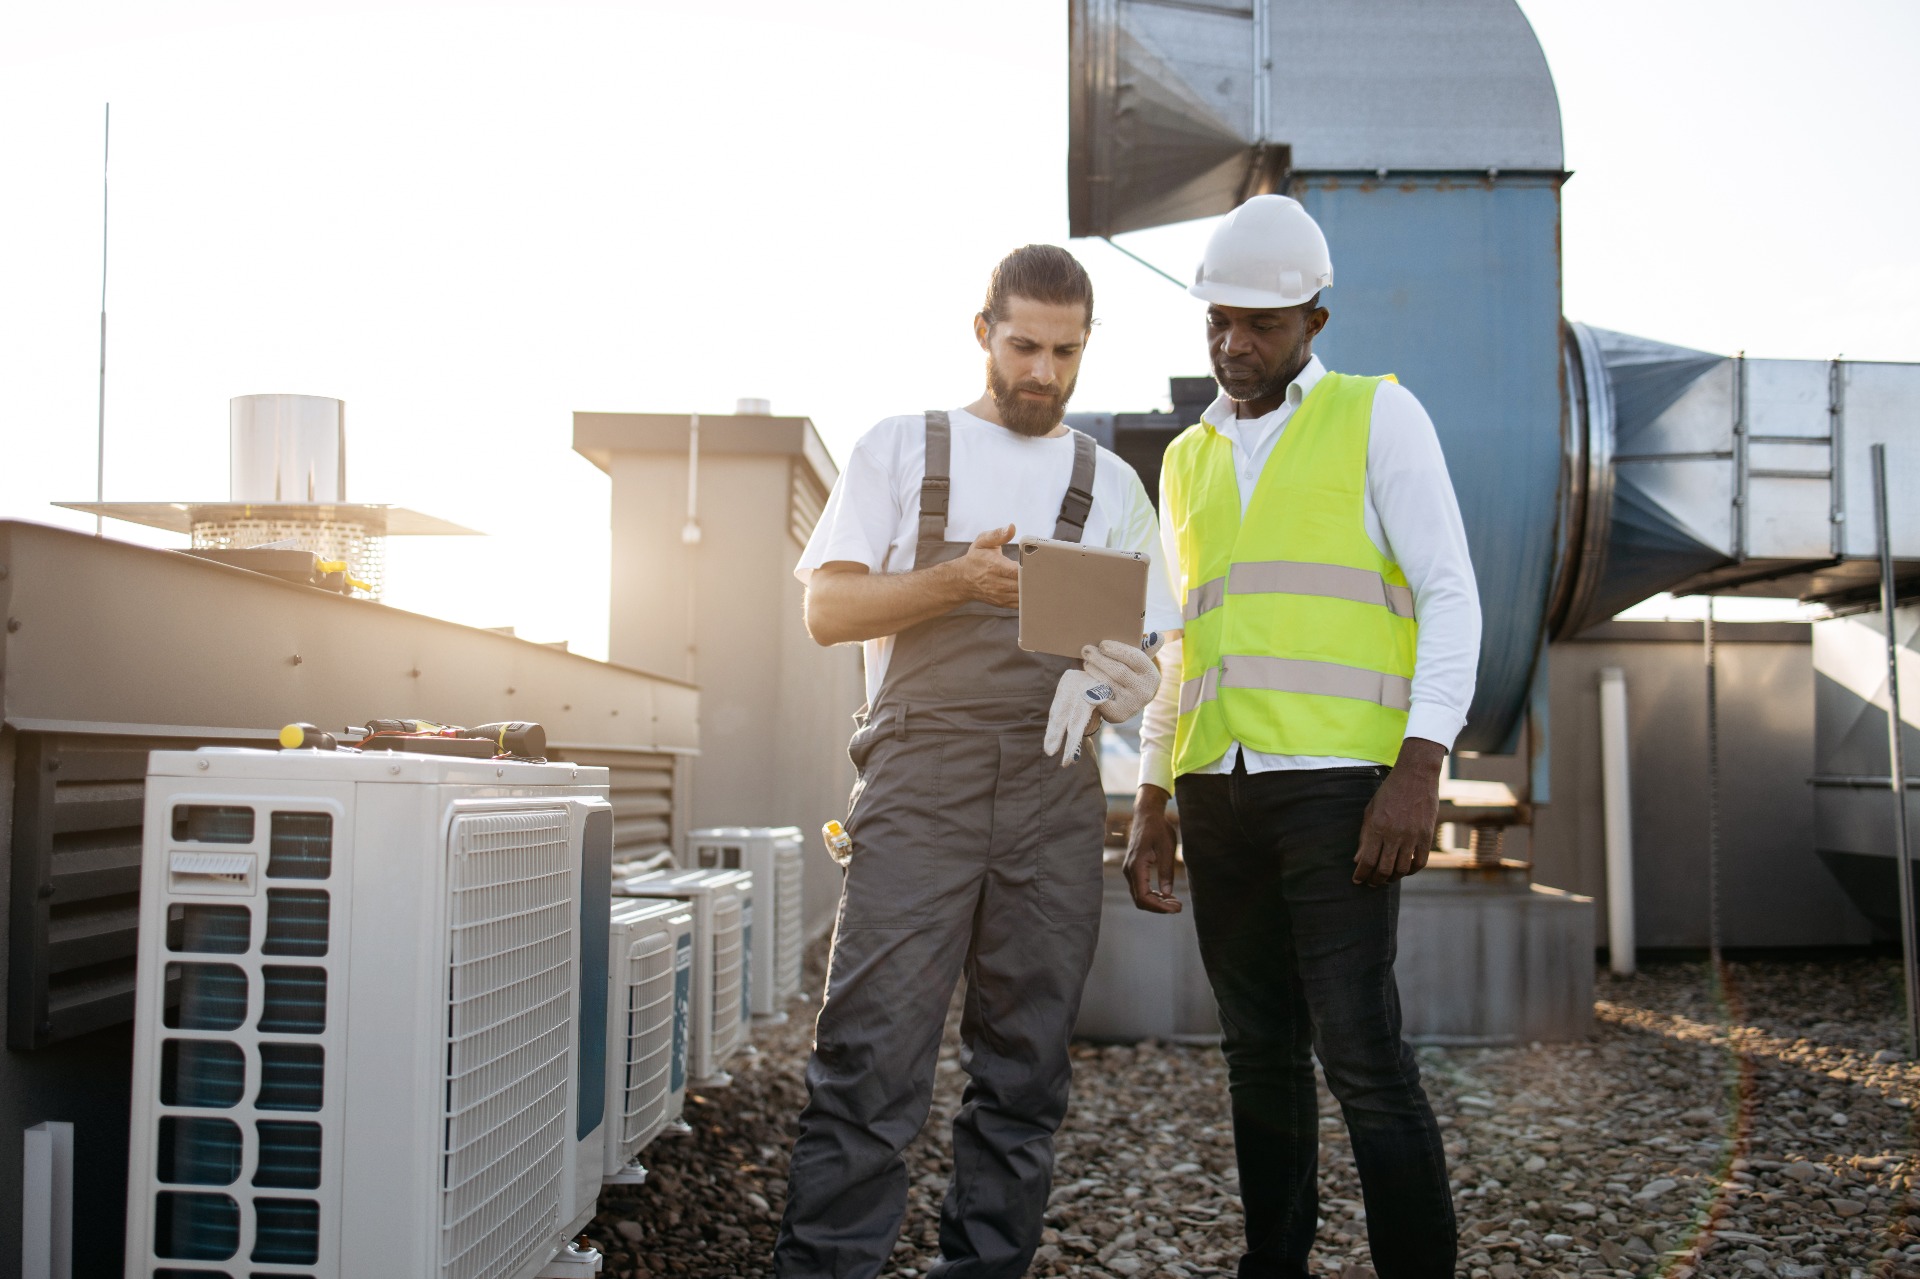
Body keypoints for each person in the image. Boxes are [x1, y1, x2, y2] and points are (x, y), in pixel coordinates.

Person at [776, 243, 1183, 1279]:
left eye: (1065, 351)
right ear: (982, 333)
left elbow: (1157, 638)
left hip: (1055, 793)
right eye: (1024, 345)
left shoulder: (1110, 482)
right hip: (920, 782)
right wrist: (957, 581)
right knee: (870, 1058)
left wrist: (1114, 684)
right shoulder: (902, 448)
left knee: (1025, 1072)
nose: (1042, 372)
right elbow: (827, 609)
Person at [1125, 194, 1481, 1279]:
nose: (1236, 343)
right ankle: (1271, 1262)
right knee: (1254, 1053)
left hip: (1340, 791)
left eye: (1262, 325)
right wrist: (1150, 799)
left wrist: (1420, 766)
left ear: (1314, 324)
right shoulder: (1184, 460)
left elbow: (1451, 594)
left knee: (1362, 1054)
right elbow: (1177, 643)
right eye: (1218, 322)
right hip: (1217, 791)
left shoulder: (1378, 415)